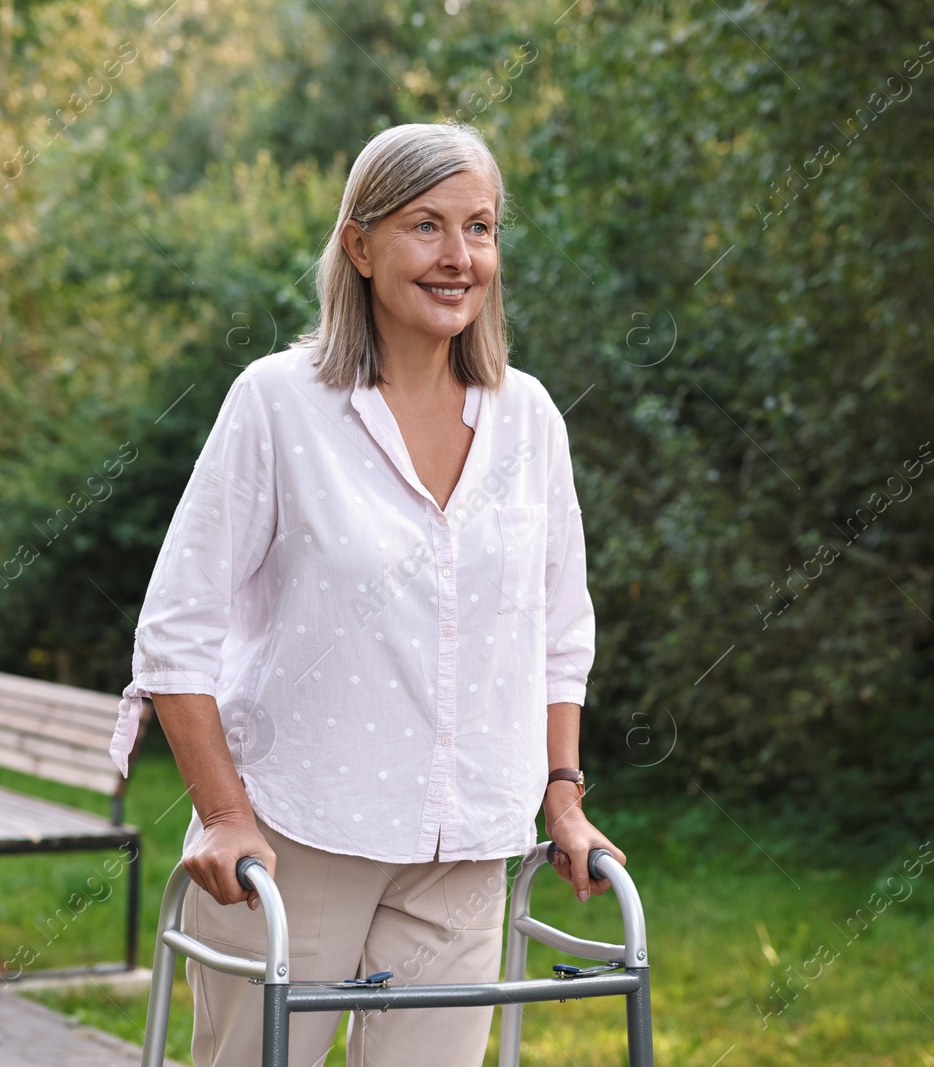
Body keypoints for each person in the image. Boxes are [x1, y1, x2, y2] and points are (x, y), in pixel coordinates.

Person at [107, 120, 625, 1067]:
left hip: (467, 847)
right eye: (426, 226)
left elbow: (559, 632)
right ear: (359, 243)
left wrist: (562, 797)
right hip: (294, 835)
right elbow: (176, 631)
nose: (459, 256)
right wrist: (226, 816)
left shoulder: (531, 420)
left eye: (480, 227)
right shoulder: (277, 402)